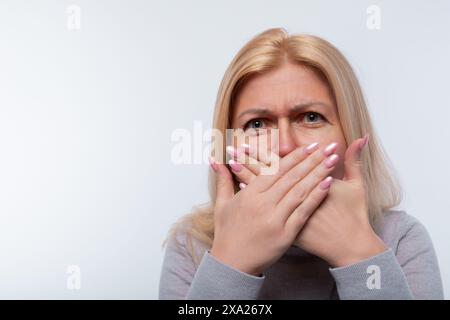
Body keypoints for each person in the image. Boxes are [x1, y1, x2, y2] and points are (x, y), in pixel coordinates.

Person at [159, 28, 443, 299]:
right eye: (257, 124)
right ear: (230, 145)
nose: (285, 146)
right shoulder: (192, 247)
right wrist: (231, 262)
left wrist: (358, 253)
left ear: (349, 134)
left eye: (310, 117)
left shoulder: (400, 240)